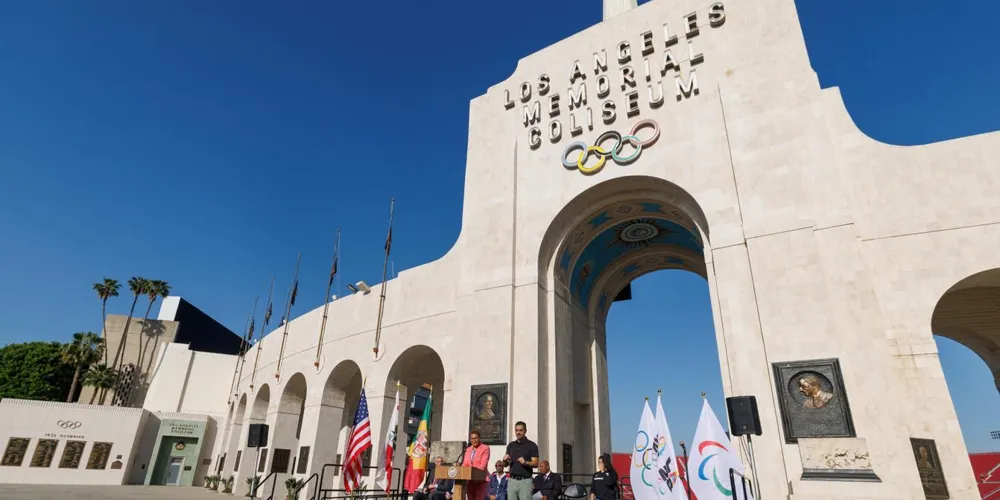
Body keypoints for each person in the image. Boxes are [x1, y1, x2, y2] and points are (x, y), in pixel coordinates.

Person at [503, 421, 539, 500]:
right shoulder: (511, 445)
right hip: (512, 480)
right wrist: (505, 460)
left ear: (525, 431)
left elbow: (536, 463)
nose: (518, 432)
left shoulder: (532, 445)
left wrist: (525, 462)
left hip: (525, 481)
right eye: (516, 430)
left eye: (521, 430)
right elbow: (506, 464)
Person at [462, 430, 491, 500]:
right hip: (470, 480)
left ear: (479, 438)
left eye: (476, 438)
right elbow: (465, 464)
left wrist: (471, 470)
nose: (474, 440)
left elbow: (482, 465)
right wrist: (461, 469)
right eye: (472, 438)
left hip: (481, 479)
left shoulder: (485, 448)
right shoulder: (468, 449)